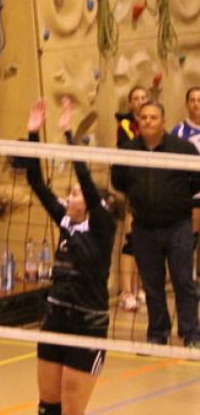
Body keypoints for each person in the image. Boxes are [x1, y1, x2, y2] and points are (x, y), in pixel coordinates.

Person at [26, 98, 116, 415]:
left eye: (74, 194)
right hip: (56, 320)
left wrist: (68, 135)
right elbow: (36, 182)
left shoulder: (102, 226)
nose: (68, 197)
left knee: (72, 411)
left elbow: (89, 185)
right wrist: (33, 134)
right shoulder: (66, 223)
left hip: (88, 326)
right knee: (47, 407)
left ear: (92, 204)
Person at [112, 101, 200, 346]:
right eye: (144, 117)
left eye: (153, 117)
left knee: (184, 281)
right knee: (152, 284)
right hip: (144, 227)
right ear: (138, 121)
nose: (148, 121)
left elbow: (197, 181)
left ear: (163, 121)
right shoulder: (128, 150)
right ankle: (158, 332)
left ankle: (191, 333)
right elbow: (118, 181)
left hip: (178, 226)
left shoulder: (182, 149)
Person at [115, 85, 149, 311]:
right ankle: (125, 291)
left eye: (143, 97)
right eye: (136, 98)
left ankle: (141, 288)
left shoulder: (156, 126)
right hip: (133, 187)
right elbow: (130, 150)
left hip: (153, 189)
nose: (140, 101)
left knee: (147, 240)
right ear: (130, 103)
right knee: (131, 239)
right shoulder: (125, 125)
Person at [171, 86, 200, 297]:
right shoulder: (179, 132)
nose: (196, 104)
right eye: (192, 100)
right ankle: (188, 281)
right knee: (191, 237)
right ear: (187, 104)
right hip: (191, 194)